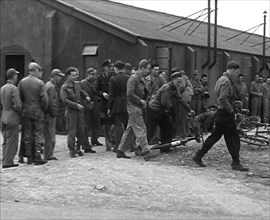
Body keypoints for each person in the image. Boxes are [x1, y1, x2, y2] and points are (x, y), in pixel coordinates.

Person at [192, 61, 249, 172]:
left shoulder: (221, 79)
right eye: (236, 71)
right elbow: (223, 98)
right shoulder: (226, 81)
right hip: (225, 114)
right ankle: (236, 162)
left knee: (216, 136)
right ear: (233, 70)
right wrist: (231, 109)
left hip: (221, 113)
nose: (237, 74)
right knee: (233, 138)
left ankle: (198, 156)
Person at [116, 59, 156, 161]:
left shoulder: (141, 79)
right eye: (147, 69)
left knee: (130, 130)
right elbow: (129, 93)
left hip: (137, 106)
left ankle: (120, 151)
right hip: (133, 106)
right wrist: (140, 100)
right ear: (142, 68)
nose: (148, 71)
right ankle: (146, 152)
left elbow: (144, 92)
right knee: (141, 128)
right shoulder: (133, 79)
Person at [146, 72, 195, 151]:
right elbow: (164, 102)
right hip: (154, 110)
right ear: (173, 80)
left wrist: (189, 109)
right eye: (178, 82)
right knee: (150, 131)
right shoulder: (167, 88)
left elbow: (181, 99)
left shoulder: (174, 89)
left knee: (169, 128)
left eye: (180, 82)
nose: (179, 84)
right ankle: (141, 148)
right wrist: (170, 109)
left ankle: (165, 147)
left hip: (161, 111)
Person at [60, 67, 95, 158]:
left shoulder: (77, 84)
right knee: (72, 132)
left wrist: (86, 96)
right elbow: (65, 100)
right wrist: (76, 105)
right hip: (71, 112)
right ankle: (72, 150)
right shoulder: (64, 87)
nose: (75, 77)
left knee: (81, 131)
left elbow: (82, 92)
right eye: (73, 75)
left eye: (76, 75)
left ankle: (78, 148)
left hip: (79, 112)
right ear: (68, 76)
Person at [18, 62, 48, 165]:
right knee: (38, 134)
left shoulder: (22, 82)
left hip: (26, 111)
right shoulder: (40, 83)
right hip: (37, 111)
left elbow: (20, 98)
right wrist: (43, 109)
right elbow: (44, 100)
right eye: (39, 70)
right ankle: (38, 155)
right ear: (36, 70)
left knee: (27, 134)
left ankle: (29, 156)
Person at [0, 68, 22, 168]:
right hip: (12, 116)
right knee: (12, 140)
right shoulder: (14, 88)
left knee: (5, 140)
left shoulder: (3, 88)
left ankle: (4, 158)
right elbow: (18, 105)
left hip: (4, 115)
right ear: (14, 76)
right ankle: (8, 162)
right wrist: (20, 112)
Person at [108, 60, 129, 152]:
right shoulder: (128, 78)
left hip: (117, 105)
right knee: (127, 125)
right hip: (127, 104)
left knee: (118, 126)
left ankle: (118, 146)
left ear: (116, 68)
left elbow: (111, 95)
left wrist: (109, 107)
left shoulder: (113, 79)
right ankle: (128, 146)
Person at [44, 69, 65, 161]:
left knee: (49, 135)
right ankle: (49, 154)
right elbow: (51, 102)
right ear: (54, 76)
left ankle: (48, 153)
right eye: (59, 76)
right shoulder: (51, 87)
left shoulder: (48, 85)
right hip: (50, 114)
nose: (60, 78)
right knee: (50, 136)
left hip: (48, 113)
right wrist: (54, 113)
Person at [80, 67, 102, 146]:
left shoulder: (95, 83)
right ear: (88, 74)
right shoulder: (83, 83)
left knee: (96, 123)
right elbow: (82, 93)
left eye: (95, 74)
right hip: (87, 106)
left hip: (95, 105)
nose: (94, 76)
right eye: (92, 74)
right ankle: (86, 142)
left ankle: (95, 139)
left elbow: (97, 92)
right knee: (87, 124)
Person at [97, 59, 114, 151]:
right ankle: (108, 144)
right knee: (106, 124)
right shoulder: (100, 78)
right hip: (104, 103)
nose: (110, 68)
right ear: (104, 68)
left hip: (112, 103)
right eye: (108, 67)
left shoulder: (113, 76)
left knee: (114, 123)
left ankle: (113, 141)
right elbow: (97, 90)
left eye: (111, 67)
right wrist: (102, 94)